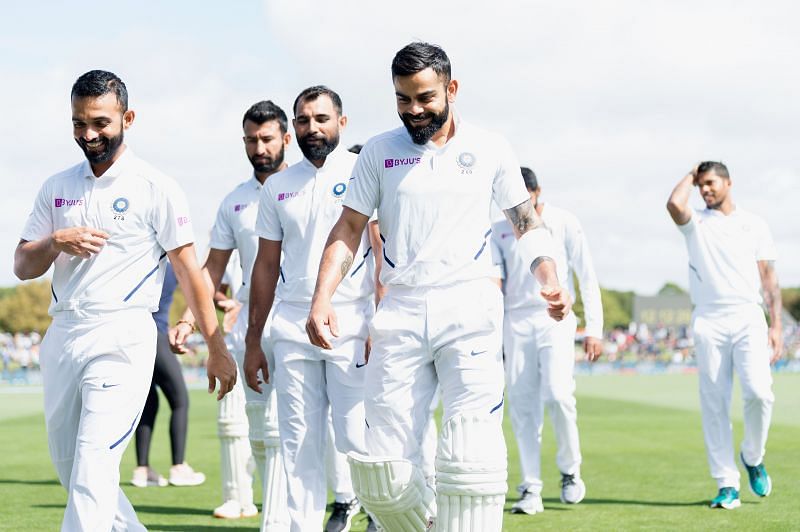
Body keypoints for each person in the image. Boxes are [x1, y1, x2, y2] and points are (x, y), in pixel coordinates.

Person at [306, 43, 570, 531]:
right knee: (385, 469)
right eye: (403, 99)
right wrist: (322, 295)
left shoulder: (490, 147)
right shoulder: (380, 151)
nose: (414, 110)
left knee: (471, 453)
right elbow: (347, 229)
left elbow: (525, 222)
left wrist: (547, 274)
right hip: (400, 310)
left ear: (451, 89)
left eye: (424, 97)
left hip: (469, 306)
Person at [13, 69, 236, 532]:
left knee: (94, 468)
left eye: (99, 122)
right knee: (73, 470)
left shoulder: (155, 186)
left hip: (123, 337)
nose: (89, 134)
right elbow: (22, 265)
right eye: (79, 123)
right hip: (64, 335)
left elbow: (189, 272)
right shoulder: (56, 187)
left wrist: (215, 347)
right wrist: (56, 241)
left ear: (127, 118)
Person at [244, 86, 377, 532]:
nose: (311, 128)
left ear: (342, 122)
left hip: (352, 321)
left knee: (356, 434)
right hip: (291, 327)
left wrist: (380, 319)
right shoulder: (278, 186)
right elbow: (265, 265)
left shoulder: (364, 169)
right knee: (298, 441)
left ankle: (378, 515)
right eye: (303, 120)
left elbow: (381, 250)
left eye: (321, 118)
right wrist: (252, 341)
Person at [170, 100, 292, 526]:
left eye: (267, 139)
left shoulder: (302, 186)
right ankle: (263, 506)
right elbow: (211, 269)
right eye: (251, 140)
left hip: (296, 314)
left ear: (285, 139)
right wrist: (188, 317)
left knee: (289, 424)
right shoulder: (234, 201)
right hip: (247, 322)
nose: (259, 147)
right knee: (255, 425)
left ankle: (310, 509)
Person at [667, 161, 782, 510]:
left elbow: (769, 279)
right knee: (714, 403)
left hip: (748, 315)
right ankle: (726, 484)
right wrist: (691, 172)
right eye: (701, 185)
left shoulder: (755, 224)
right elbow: (674, 204)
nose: (705, 190)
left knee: (760, 394)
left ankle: (752, 455)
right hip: (709, 320)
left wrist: (776, 325)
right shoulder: (696, 223)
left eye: (711, 182)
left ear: (729, 182)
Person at [491, 167, 603, 514]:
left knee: (558, 395)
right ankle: (531, 488)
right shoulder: (498, 230)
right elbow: (495, 284)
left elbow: (586, 275)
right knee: (523, 409)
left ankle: (570, 471)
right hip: (516, 322)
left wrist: (594, 328)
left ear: (537, 192)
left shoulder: (564, 221)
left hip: (555, 318)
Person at [132, 261, 206, 488]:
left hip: (134, 337)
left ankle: (142, 470)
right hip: (156, 336)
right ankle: (178, 467)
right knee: (180, 401)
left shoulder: (139, 260)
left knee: (149, 402)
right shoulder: (171, 265)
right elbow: (200, 287)